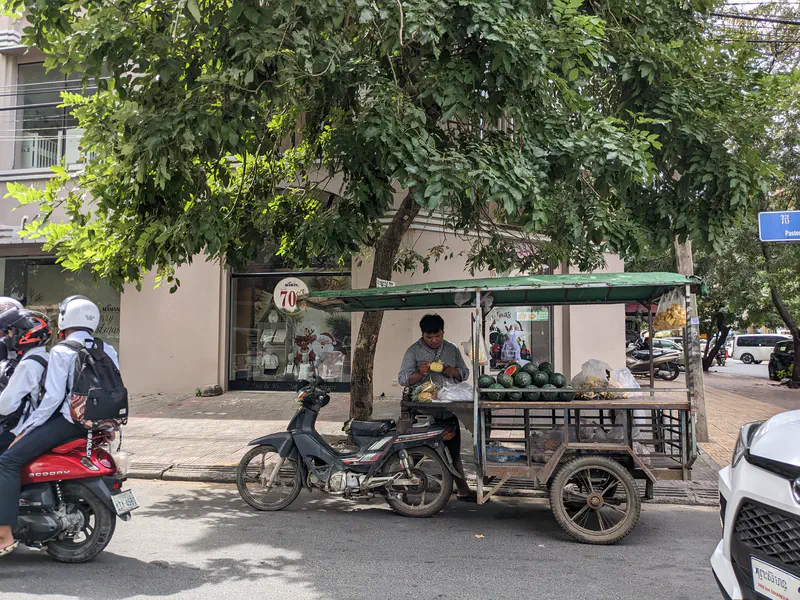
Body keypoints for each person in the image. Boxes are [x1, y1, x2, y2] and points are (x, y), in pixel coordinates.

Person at [0, 296, 119, 557]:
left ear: (66, 319)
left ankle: (4, 534)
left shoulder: (61, 350)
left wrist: (26, 430)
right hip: (96, 423)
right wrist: (109, 426)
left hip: (69, 422)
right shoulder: (107, 348)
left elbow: (52, 400)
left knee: (8, 461)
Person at [398, 314, 477, 501]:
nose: (434, 340)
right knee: (417, 450)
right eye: (429, 337)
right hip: (420, 410)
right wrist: (419, 373)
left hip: (446, 409)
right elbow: (403, 379)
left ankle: (463, 489)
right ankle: (402, 489)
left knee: (453, 449)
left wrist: (454, 371)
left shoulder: (452, 349)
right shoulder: (413, 352)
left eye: (438, 336)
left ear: (443, 332)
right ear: (422, 334)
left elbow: (464, 373)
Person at [0, 310, 51, 456]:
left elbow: (5, 406)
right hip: (43, 424)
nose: (7, 337)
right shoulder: (46, 357)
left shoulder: (27, 365)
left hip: (23, 428)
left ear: (25, 334)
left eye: (10, 332)